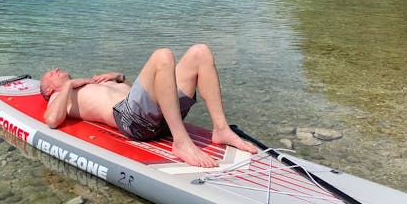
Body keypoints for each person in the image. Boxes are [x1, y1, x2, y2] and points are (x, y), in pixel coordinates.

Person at [40, 44, 257, 168]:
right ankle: (181, 142)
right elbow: (52, 121)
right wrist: (68, 85)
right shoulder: (60, 96)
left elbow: (148, 91)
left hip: (155, 116)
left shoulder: (87, 83)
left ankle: (221, 129)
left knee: (200, 52)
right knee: (162, 56)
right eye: (51, 73)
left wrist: (120, 78)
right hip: (133, 123)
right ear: (49, 89)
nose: (56, 68)